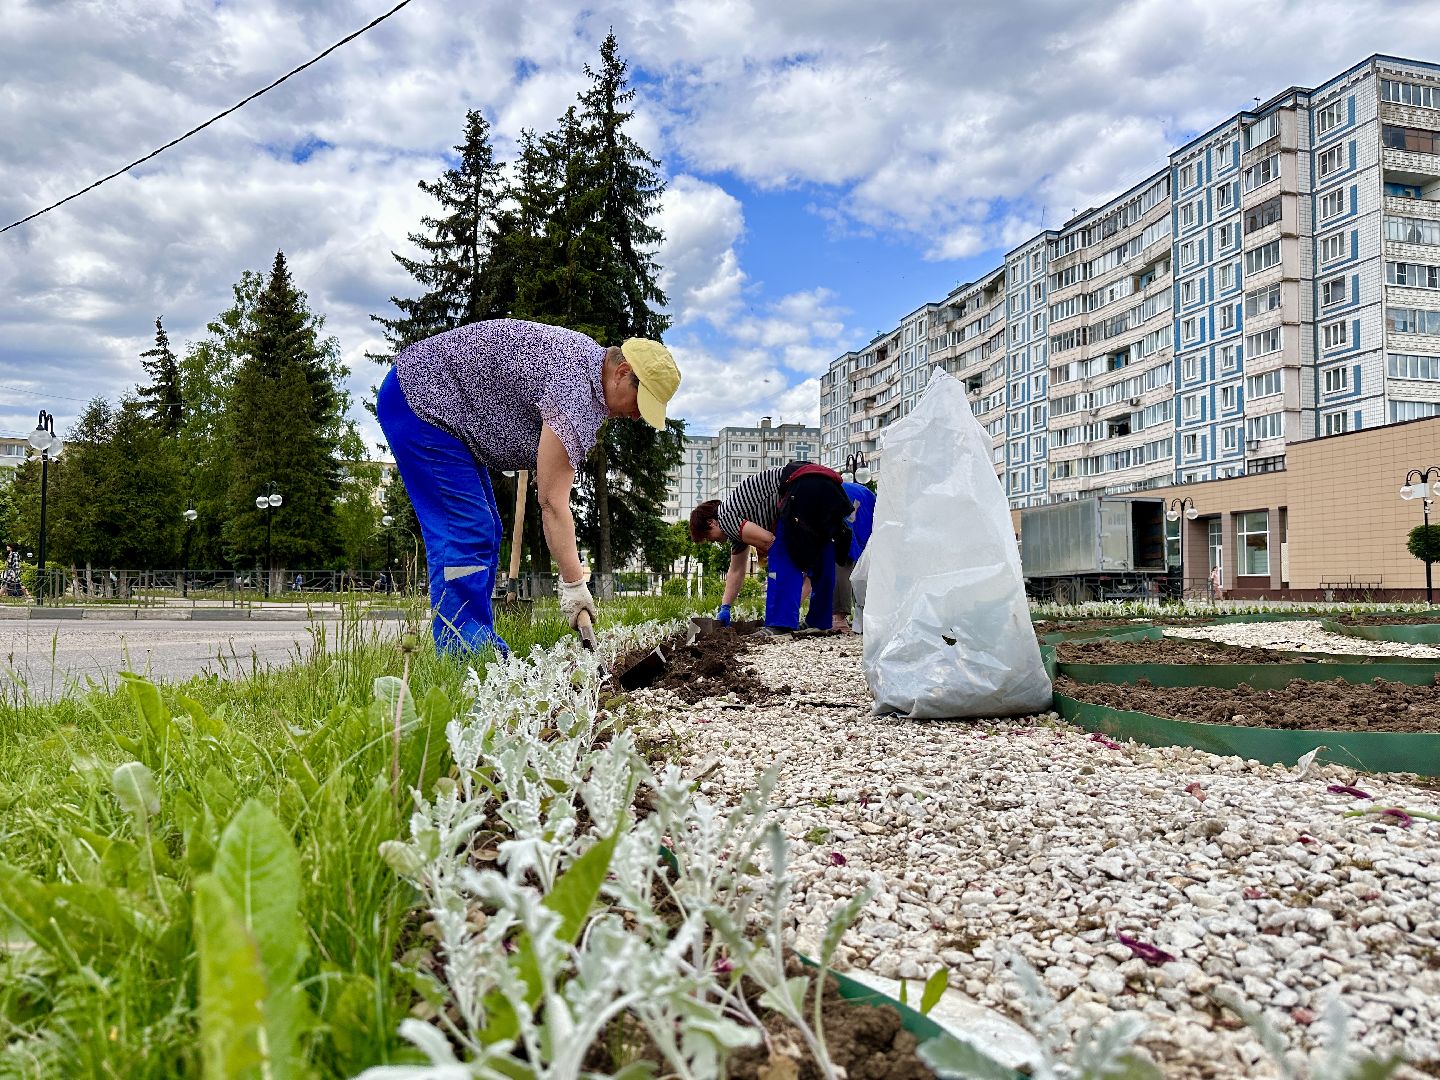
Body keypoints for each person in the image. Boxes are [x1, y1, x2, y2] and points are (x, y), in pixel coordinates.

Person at [377, 319, 680, 655]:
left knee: (486, 528)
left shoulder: (586, 369)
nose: (638, 416)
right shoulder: (577, 392)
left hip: (437, 404)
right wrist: (574, 585)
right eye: (641, 402)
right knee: (466, 529)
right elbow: (551, 501)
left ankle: (478, 645)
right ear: (622, 372)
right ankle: (464, 654)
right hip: (422, 402)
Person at [689, 461, 854, 634]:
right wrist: (725, 607)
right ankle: (820, 621)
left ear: (711, 522)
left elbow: (770, 542)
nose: (714, 542)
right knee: (822, 554)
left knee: (781, 550)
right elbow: (736, 570)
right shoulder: (737, 522)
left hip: (799, 486)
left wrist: (792, 563)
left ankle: (780, 624)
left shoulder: (725, 516)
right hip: (825, 485)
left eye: (708, 537)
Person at [832, 479, 876, 631]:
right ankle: (865, 617)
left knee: (842, 560)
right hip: (863, 506)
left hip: (851, 507)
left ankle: (839, 619)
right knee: (858, 563)